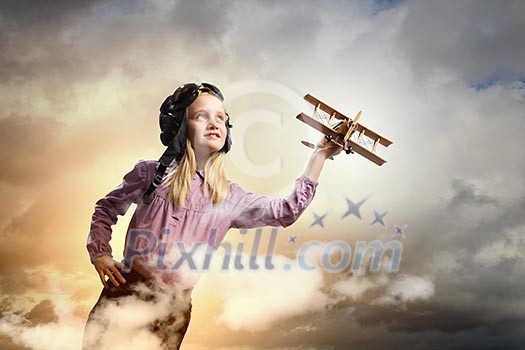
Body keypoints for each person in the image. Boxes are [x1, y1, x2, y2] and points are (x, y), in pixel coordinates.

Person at [82, 82, 343, 350]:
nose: (214, 123)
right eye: (201, 116)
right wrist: (100, 253)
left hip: (173, 309)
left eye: (220, 117)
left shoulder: (230, 198)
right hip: (124, 295)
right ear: (180, 127)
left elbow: (286, 212)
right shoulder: (149, 174)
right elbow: (106, 209)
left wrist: (319, 155)